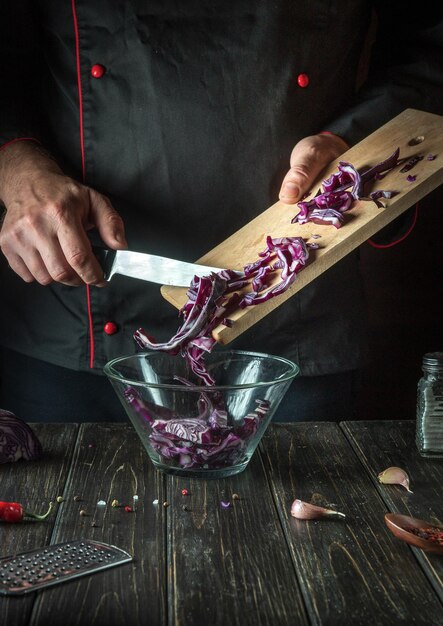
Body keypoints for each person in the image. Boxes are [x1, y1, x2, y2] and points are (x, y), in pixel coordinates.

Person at [0, 2, 442, 423]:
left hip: (295, 325)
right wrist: (16, 163)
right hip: (72, 322)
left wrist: (352, 143)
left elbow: (431, 44)